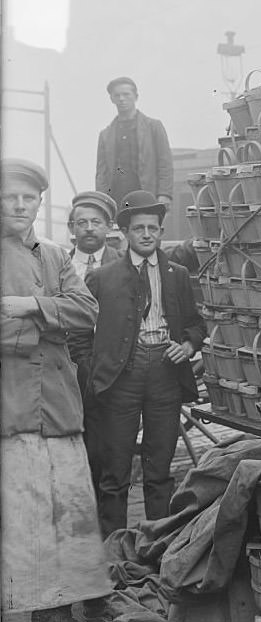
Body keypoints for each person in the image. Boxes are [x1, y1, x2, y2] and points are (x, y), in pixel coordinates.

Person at [0, 159, 111, 622]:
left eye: (29, 198)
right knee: (23, 520)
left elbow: (87, 312)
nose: (20, 205)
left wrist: (29, 306)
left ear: (40, 203)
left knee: (70, 515)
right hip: (12, 409)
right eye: (10, 196)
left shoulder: (55, 256)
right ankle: (28, 607)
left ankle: (63, 607)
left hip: (60, 408)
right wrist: (46, 326)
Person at [81, 190, 205, 536]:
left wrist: (187, 344)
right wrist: (94, 370)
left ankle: (158, 544)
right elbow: (79, 332)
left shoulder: (177, 274)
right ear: (125, 233)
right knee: (115, 469)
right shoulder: (103, 278)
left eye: (153, 227)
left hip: (165, 374)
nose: (147, 234)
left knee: (159, 468)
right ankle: (113, 549)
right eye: (139, 228)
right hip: (122, 378)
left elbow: (197, 324)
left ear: (161, 232)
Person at [65, 190, 122, 499]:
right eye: (81, 222)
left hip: (105, 367)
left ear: (108, 226)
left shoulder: (123, 264)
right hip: (63, 366)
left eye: (96, 222)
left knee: (101, 443)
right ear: (72, 228)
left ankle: (100, 507)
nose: (89, 228)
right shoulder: (58, 262)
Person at [95, 77, 174, 212]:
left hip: (147, 196)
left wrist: (164, 194)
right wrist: (102, 200)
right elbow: (101, 173)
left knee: (146, 230)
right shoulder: (105, 135)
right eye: (117, 95)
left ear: (136, 97)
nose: (121, 99)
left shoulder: (153, 127)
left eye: (126, 94)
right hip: (116, 198)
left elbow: (165, 164)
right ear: (111, 99)